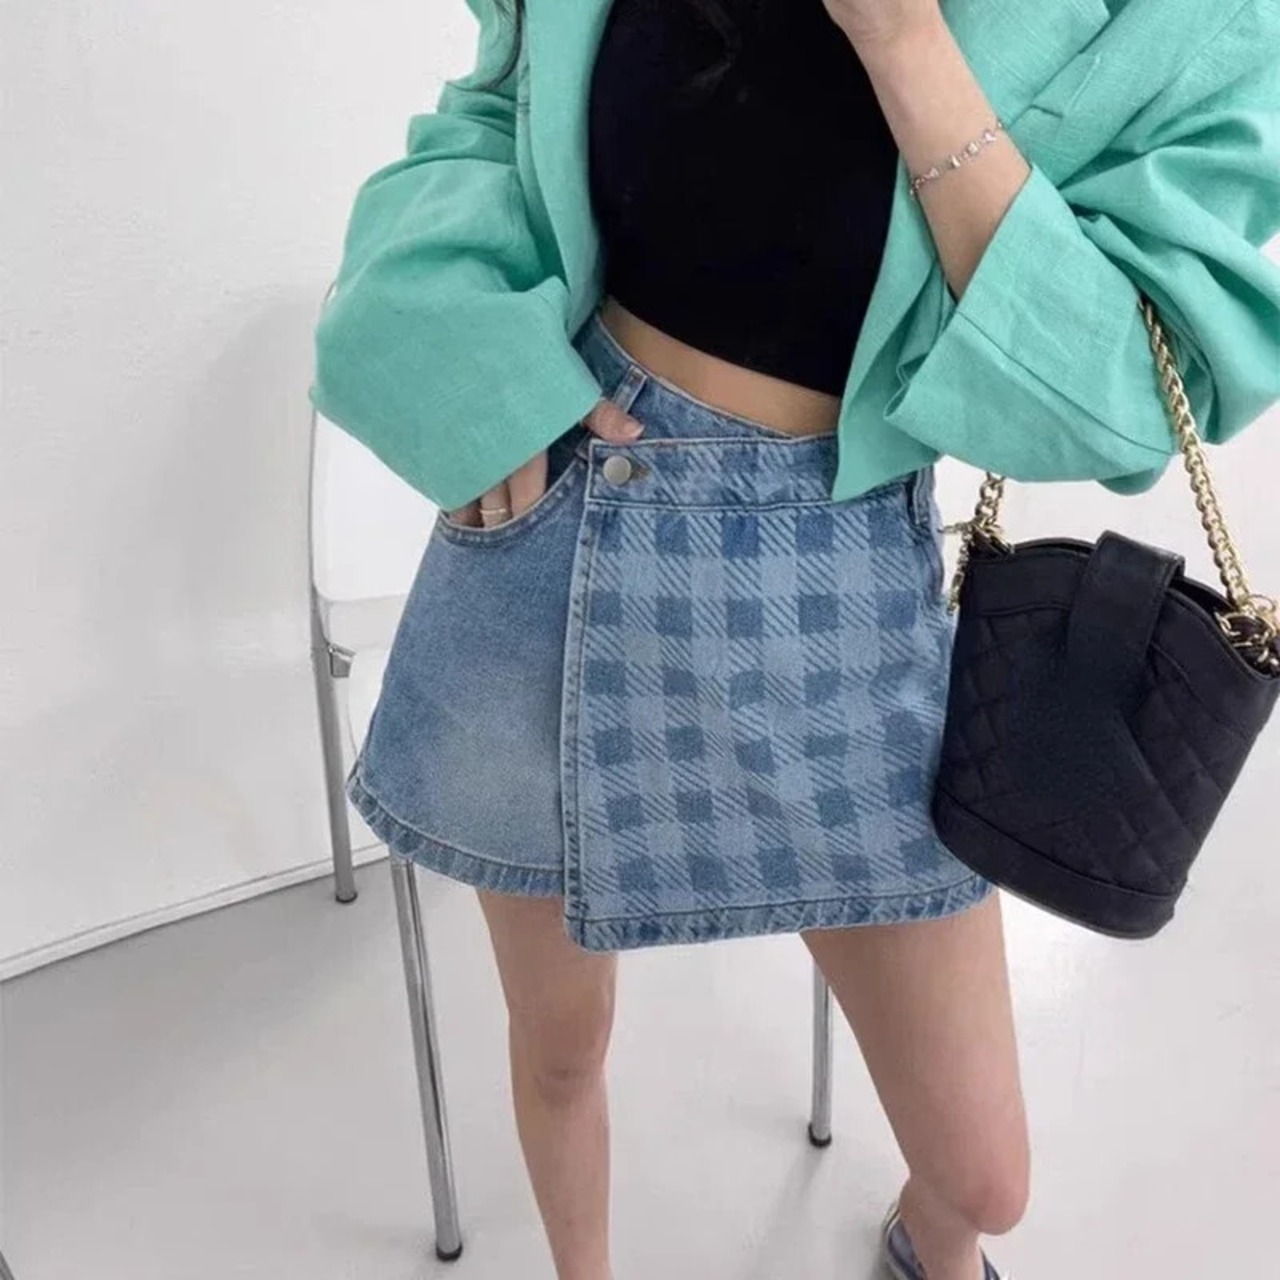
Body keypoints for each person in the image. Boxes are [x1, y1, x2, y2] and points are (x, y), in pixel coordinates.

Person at [311, 2, 1280, 1276]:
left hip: (834, 555)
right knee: (559, 1049)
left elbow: (1138, 385)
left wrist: (901, 39)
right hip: (566, 498)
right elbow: (496, 112)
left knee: (983, 1172)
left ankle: (931, 1245)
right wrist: (476, 374)